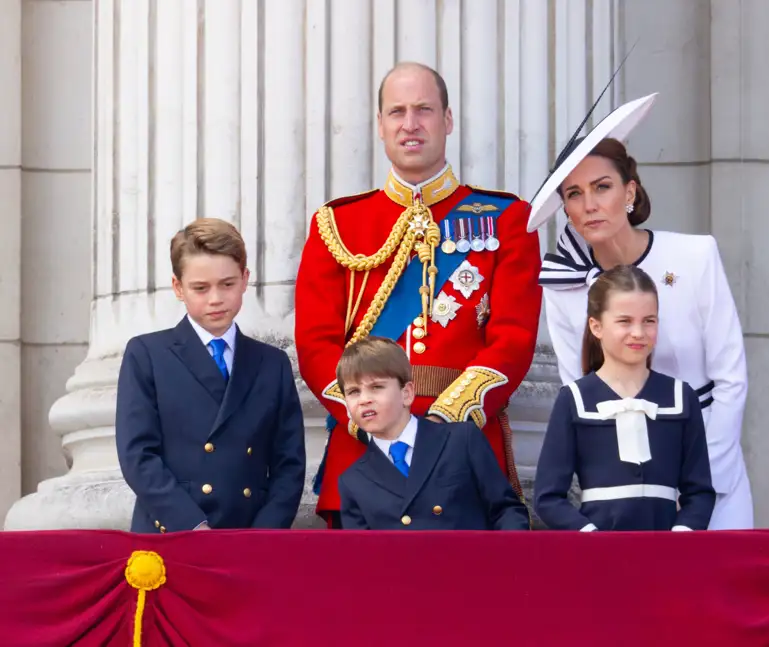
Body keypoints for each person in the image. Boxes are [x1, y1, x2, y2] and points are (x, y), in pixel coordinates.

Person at [295, 61, 542, 527]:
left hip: (463, 451)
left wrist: (443, 427)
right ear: (381, 125)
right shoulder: (336, 225)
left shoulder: (507, 219)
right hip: (365, 452)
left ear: (447, 120)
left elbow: (512, 337)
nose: (410, 124)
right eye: (397, 112)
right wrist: (376, 418)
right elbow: (314, 345)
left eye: (424, 110)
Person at [530, 124, 752, 530]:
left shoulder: (695, 255)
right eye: (574, 194)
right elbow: (577, 388)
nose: (589, 205)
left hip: (710, 476)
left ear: (629, 192)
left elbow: (731, 379)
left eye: (602, 187)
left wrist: (700, 482)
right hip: (624, 491)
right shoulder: (563, 286)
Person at [116, 218, 306, 533]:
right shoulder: (147, 354)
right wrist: (192, 526)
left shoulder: (272, 363)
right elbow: (138, 456)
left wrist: (262, 536)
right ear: (178, 287)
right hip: (173, 534)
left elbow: (289, 464)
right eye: (200, 288)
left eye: (227, 284)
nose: (215, 299)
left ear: (246, 280)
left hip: (249, 539)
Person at [534, 265, 716, 531]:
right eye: (624, 321)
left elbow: (699, 492)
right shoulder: (574, 398)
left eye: (649, 320)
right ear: (596, 326)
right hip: (597, 557)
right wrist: (589, 536)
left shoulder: (681, 396)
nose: (638, 333)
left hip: (667, 555)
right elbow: (548, 497)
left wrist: (682, 535)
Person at [337, 336, 530, 530]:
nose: (364, 400)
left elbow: (506, 511)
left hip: (472, 559)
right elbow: (362, 555)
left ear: (407, 393)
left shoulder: (461, 440)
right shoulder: (353, 481)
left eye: (376, 387)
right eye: (353, 392)